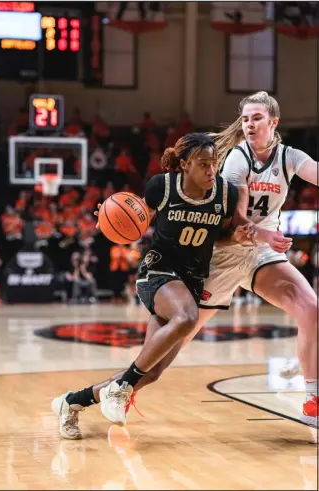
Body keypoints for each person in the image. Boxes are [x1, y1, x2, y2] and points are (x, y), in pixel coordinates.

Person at [52, 132, 290, 439]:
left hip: (190, 282)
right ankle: (121, 388)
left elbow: (222, 236)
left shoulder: (225, 193)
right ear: (185, 165)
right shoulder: (161, 186)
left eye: (214, 163)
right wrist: (109, 220)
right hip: (157, 272)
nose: (211, 170)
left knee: (150, 372)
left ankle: (72, 401)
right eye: (203, 164)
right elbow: (132, 216)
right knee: (187, 318)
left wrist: (237, 237)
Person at [200, 91, 318, 427]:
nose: (249, 124)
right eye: (246, 118)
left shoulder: (289, 157)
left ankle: (313, 400)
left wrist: (265, 239)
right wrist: (267, 234)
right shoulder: (237, 159)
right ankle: (125, 383)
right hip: (227, 250)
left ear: (273, 122)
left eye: (257, 118)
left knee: (311, 308)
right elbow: (236, 222)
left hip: (261, 254)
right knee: (180, 330)